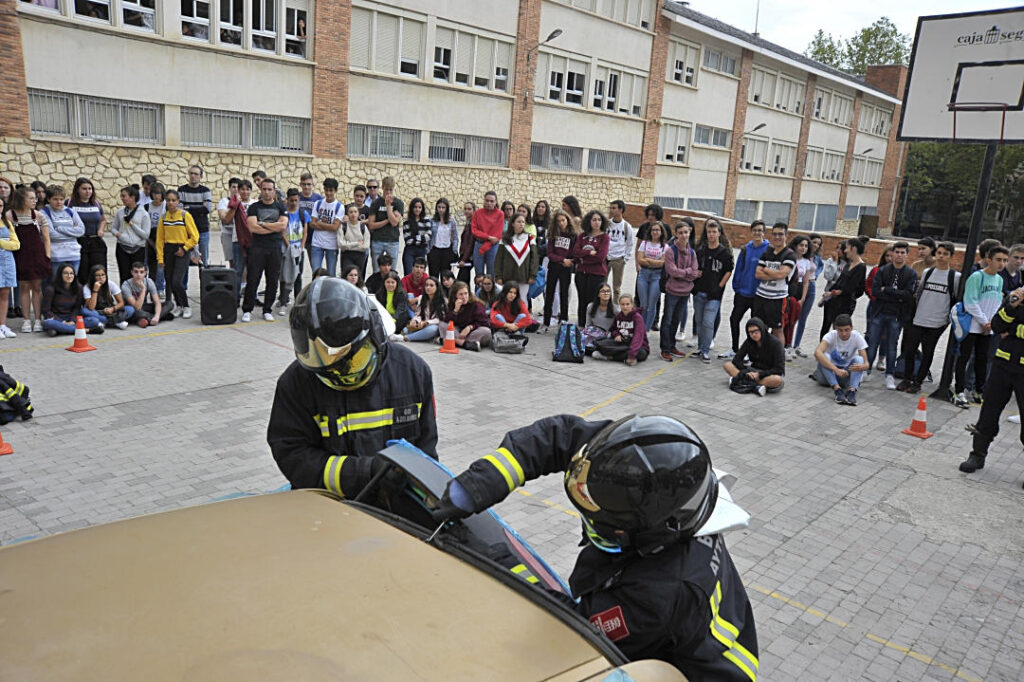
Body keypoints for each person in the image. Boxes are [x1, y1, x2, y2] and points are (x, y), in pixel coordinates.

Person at [433, 413, 758, 679]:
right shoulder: (659, 472)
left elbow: (571, 628)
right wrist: (484, 479)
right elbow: (562, 436)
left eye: (603, 528)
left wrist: (495, 561)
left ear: (649, 535)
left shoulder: (657, 594)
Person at [268, 276, 438, 499]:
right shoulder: (296, 384)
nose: (341, 377)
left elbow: (427, 453)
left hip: (399, 511)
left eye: (353, 363)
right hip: (331, 510)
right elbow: (294, 457)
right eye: (328, 371)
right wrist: (362, 472)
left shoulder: (413, 373)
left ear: (375, 335)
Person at [959, 284, 1024, 479]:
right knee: (988, 412)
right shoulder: (1015, 297)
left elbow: (1007, 329)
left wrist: (1013, 329)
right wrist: (1012, 307)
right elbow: (996, 326)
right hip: (1002, 366)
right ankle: (977, 455)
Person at [897, 242, 960, 393]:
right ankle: (907, 379)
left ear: (951, 256)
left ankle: (918, 382)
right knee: (910, 350)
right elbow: (919, 293)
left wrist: (946, 320)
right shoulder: (928, 272)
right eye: (939, 253)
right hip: (919, 318)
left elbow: (955, 298)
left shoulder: (955, 277)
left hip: (937, 322)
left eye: (945, 254)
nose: (941, 256)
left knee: (928, 352)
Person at [953, 245, 1009, 408]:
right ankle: (959, 391)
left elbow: (997, 302)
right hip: (972, 326)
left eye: (1005, 260)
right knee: (963, 358)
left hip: (987, 327)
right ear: (988, 260)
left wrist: (992, 323)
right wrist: (984, 321)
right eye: (999, 260)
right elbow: (970, 302)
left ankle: (978, 390)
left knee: (982, 359)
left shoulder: (999, 279)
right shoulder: (977, 277)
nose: (1002, 264)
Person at [867, 242, 918, 390]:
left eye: (903, 252)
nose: (899, 255)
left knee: (891, 346)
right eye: (897, 252)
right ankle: (867, 370)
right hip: (880, 312)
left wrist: (887, 290)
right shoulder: (883, 270)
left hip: (897, 315)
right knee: (872, 343)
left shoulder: (911, 273)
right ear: (893, 253)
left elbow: (908, 295)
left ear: (907, 255)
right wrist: (896, 294)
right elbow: (876, 291)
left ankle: (889, 375)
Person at [721, 221, 770, 359]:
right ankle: (735, 349)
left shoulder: (768, 250)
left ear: (764, 233)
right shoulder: (745, 249)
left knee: (756, 326)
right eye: (754, 230)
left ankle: (753, 353)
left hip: (759, 295)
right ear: (751, 231)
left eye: (760, 230)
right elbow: (739, 270)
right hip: (742, 293)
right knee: (734, 319)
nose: (757, 233)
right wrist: (737, 287)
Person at [7, 186, 51, 334]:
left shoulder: (38, 216)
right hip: (19, 256)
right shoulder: (10, 216)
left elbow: (46, 238)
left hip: (37, 256)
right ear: (21, 199)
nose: (35, 200)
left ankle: (38, 319)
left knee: (37, 288)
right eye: (31, 198)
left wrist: (47, 256)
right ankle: (26, 320)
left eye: (35, 198)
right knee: (24, 288)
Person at [243, 178, 288, 322]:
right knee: (253, 278)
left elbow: (282, 227)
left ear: (274, 191)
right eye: (264, 189)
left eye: (270, 189)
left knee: (272, 280)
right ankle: (247, 309)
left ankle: (267, 309)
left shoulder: (281, 207)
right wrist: (272, 227)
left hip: (275, 248)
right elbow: (252, 227)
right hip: (257, 248)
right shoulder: (254, 207)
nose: (267, 192)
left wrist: (262, 224)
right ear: (260, 190)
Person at [693, 219, 733, 364]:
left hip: (714, 295)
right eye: (709, 232)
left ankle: (705, 350)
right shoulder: (701, 251)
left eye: (714, 232)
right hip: (699, 292)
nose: (711, 235)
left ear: (719, 233)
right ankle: (699, 348)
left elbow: (728, 270)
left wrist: (720, 286)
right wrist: (695, 274)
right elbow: (694, 266)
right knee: (699, 321)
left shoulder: (724, 252)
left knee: (708, 322)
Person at [156, 190, 199, 319]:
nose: (170, 203)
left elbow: (194, 236)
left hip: (182, 250)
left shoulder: (185, 215)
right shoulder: (164, 217)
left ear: (178, 201)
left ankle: (186, 306)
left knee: (176, 281)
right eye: (168, 200)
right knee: (169, 280)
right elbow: (159, 240)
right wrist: (160, 258)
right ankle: (179, 305)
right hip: (168, 250)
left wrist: (184, 249)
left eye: (173, 200)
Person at [660, 220, 698, 361]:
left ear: (690, 232)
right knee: (668, 319)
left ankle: (672, 346)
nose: (683, 235)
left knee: (676, 320)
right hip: (672, 291)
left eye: (686, 232)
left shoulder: (692, 253)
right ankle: (665, 349)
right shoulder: (671, 251)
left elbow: (695, 273)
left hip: (685, 292)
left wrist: (683, 272)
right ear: (676, 234)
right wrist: (686, 272)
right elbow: (672, 271)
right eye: (680, 233)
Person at [752, 222, 795, 345]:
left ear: (786, 235)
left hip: (777, 299)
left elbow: (782, 275)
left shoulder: (790, 255)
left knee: (777, 330)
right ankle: (759, 356)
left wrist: (765, 269)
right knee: (759, 328)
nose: (777, 237)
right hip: (761, 296)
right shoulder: (767, 252)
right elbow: (757, 273)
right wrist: (774, 272)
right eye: (775, 234)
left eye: (780, 234)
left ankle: (778, 359)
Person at [813, 314, 869, 406]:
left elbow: (866, 364)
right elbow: (817, 353)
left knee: (859, 359)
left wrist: (862, 366)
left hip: (845, 375)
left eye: (846, 330)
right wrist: (836, 370)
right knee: (824, 356)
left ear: (852, 328)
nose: (843, 333)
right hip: (828, 376)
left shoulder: (857, 336)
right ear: (835, 328)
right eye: (840, 330)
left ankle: (852, 391)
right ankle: (837, 390)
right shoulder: (831, 335)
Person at [723, 317, 785, 397]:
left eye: (756, 331)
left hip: (768, 373)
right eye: (750, 332)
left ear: (762, 329)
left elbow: (779, 369)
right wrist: (745, 372)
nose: (753, 334)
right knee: (727, 365)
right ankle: (755, 387)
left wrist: (759, 374)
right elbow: (737, 359)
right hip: (752, 370)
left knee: (777, 380)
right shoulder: (749, 341)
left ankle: (741, 381)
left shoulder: (775, 343)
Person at [819, 238, 866, 339]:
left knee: (839, 329)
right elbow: (839, 282)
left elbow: (851, 288)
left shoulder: (861, 267)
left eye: (847, 248)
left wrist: (834, 293)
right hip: (833, 301)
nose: (845, 251)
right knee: (826, 325)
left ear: (854, 249)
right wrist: (828, 293)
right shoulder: (849, 264)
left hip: (845, 304)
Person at [41, 263, 104, 336]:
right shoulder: (50, 289)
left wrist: (72, 320)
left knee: (94, 321)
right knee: (48, 323)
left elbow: (77, 308)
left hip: (71, 318)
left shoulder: (79, 288)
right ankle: (87, 330)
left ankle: (62, 330)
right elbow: (46, 311)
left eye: (71, 273)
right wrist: (62, 322)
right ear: (60, 275)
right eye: (66, 273)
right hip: (56, 319)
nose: (69, 276)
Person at [541, 209, 578, 333]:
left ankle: (563, 320)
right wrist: (562, 259)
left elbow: (574, 253)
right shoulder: (553, 234)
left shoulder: (573, 236)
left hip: (566, 269)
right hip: (554, 267)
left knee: (564, 294)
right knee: (549, 293)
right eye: (558, 221)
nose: (561, 223)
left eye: (563, 220)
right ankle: (546, 321)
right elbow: (550, 253)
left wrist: (569, 261)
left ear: (567, 220)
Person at [572, 210, 610, 327]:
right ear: (589, 222)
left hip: (597, 274)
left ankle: (593, 325)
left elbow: (600, 257)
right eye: (594, 220)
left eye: (599, 220)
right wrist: (589, 252)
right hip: (581, 274)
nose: (597, 222)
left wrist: (584, 259)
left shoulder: (605, 237)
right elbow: (575, 252)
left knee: (592, 301)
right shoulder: (582, 236)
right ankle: (581, 324)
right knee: (581, 300)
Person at [68, 177, 106, 285]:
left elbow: (103, 220)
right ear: (77, 190)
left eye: (90, 188)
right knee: (82, 271)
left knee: (98, 270)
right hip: (79, 241)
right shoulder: (71, 204)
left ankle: (98, 297)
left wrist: (101, 230)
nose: (87, 191)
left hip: (95, 241)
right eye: (84, 188)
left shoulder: (96, 203)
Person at [277, 188, 310, 313]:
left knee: (298, 274)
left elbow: (305, 231)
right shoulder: (284, 214)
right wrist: (288, 245)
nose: (294, 203)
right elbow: (282, 231)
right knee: (284, 274)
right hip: (287, 248)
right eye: (291, 200)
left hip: (298, 248)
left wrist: (302, 246)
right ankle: (283, 300)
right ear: (287, 200)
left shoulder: (303, 214)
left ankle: (298, 300)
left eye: (296, 200)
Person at [43, 184, 85, 280]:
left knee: (72, 282)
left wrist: (60, 229)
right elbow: (51, 235)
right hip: (56, 255)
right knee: (56, 283)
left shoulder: (70, 211)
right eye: (55, 199)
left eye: (61, 199)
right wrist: (72, 233)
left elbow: (81, 230)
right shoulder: (44, 213)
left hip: (73, 254)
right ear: (49, 199)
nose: (59, 202)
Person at [111, 185, 151, 286]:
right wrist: (118, 235)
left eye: (124, 196)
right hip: (122, 248)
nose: (122, 198)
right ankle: (124, 299)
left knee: (137, 276)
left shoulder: (144, 214)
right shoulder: (120, 212)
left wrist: (132, 225)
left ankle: (139, 298)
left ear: (132, 197)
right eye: (121, 196)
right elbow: (113, 228)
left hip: (138, 249)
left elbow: (146, 235)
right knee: (123, 276)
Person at [594, 295, 649, 365]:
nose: (625, 307)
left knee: (641, 353)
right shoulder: (619, 316)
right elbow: (613, 329)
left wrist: (632, 354)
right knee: (602, 344)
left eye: (627, 304)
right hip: (622, 343)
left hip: (637, 346)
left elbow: (638, 337)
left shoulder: (638, 318)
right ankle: (625, 359)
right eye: (622, 304)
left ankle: (610, 357)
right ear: (619, 305)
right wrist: (617, 334)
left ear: (632, 304)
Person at [634, 221, 667, 332]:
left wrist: (648, 260)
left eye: (658, 230)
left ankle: (646, 330)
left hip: (656, 276)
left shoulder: (665, 246)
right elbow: (640, 259)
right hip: (643, 274)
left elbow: (662, 263)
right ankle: (640, 327)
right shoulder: (645, 243)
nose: (655, 232)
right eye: (653, 230)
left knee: (651, 305)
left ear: (661, 232)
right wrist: (653, 261)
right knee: (643, 304)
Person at [782, 236, 811, 360]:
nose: (803, 248)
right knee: (784, 320)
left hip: (798, 292)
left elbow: (805, 282)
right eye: (801, 245)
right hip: (788, 290)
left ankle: (789, 346)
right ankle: (781, 346)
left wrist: (803, 298)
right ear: (795, 245)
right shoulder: (789, 258)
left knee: (793, 321)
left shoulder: (807, 262)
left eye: (806, 246)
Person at [793, 234, 822, 356]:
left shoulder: (816, 258)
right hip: (797, 285)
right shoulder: (799, 257)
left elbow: (819, 268)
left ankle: (797, 345)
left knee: (803, 317)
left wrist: (815, 277)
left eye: (818, 244)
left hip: (811, 286)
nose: (816, 245)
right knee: (792, 316)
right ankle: (787, 344)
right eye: (814, 242)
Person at [366, 176, 403, 273]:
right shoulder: (376, 203)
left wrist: (388, 206)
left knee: (392, 272)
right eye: (386, 189)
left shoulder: (398, 203)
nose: (388, 192)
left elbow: (395, 223)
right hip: (377, 240)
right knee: (377, 271)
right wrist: (387, 220)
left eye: (390, 190)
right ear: (382, 188)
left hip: (393, 240)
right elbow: (371, 225)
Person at [294, 172, 323, 295]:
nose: (306, 187)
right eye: (304, 184)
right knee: (296, 269)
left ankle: (313, 293)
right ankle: (295, 294)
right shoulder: (296, 197)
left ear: (313, 185)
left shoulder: (319, 199)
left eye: (309, 184)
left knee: (315, 268)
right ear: (300, 184)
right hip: (297, 237)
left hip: (313, 238)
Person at [178, 165, 212, 267]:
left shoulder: (205, 190)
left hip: (202, 230)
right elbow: (180, 209)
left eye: (196, 174)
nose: (193, 176)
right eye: (191, 173)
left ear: (201, 176)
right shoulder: (181, 190)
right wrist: (199, 207)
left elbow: (207, 209)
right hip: (185, 231)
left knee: (203, 261)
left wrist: (188, 207)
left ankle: (205, 283)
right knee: (184, 261)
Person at [494, 213, 539, 290]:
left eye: (523, 222)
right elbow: (499, 259)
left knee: (523, 300)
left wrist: (533, 275)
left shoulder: (529, 238)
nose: (521, 224)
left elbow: (534, 258)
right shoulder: (505, 239)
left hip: (524, 277)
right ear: (512, 224)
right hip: (507, 277)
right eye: (518, 222)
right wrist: (498, 276)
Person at [308, 177, 342, 277]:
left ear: (335, 191)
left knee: (331, 275)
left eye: (331, 190)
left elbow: (335, 227)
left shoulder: (339, 207)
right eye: (326, 190)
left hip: (331, 244)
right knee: (316, 274)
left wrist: (320, 223)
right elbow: (312, 224)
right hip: (317, 243)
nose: (328, 193)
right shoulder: (318, 204)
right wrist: (328, 225)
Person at [446, 280, 491, 351]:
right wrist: (455, 310)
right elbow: (448, 320)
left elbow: (484, 322)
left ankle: (453, 341)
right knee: (442, 325)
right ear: (455, 295)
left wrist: (470, 327)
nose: (464, 297)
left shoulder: (476, 304)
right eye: (460, 294)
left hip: (472, 332)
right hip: (458, 331)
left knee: (486, 331)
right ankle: (465, 344)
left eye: (466, 293)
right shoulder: (453, 303)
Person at [83, 264, 131, 329]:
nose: (101, 277)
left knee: (130, 309)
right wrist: (95, 290)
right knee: (84, 311)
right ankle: (116, 322)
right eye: (97, 275)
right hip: (97, 311)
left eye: (103, 275)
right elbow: (91, 307)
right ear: (93, 277)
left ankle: (104, 322)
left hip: (110, 310)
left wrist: (112, 309)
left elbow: (121, 303)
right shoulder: (87, 287)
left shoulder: (110, 284)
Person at [121, 261, 167, 327]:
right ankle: (155, 318)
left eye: (141, 272)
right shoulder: (126, 285)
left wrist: (157, 316)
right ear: (132, 272)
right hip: (132, 309)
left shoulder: (149, 282)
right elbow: (137, 307)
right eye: (136, 272)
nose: (139, 275)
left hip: (144, 307)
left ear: (145, 273)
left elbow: (157, 302)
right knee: (138, 313)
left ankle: (150, 319)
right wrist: (143, 289)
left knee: (169, 304)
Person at [606, 200, 634, 301]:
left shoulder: (627, 226)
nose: (611, 210)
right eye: (611, 208)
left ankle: (615, 307)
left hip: (618, 259)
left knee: (616, 287)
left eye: (614, 208)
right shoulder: (607, 224)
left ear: (620, 210)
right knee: (602, 285)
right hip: (605, 258)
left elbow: (630, 243)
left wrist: (625, 259)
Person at [471, 190, 503, 277]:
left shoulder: (500, 214)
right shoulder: (477, 213)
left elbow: (497, 235)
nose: (489, 203)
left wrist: (484, 247)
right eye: (487, 200)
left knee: (491, 274)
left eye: (492, 201)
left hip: (492, 247)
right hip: (479, 244)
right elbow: (474, 230)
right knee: (479, 275)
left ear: (496, 202)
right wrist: (488, 237)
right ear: (484, 201)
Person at [404, 276, 445, 343]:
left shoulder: (442, 301)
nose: (428, 287)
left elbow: (441, 319)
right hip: (422, 325)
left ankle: (406, 338)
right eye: (426, 285)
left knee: (433, 329)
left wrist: (427, 322)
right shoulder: (421, 298)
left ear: (437, 287)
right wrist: (415, 321)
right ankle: (420, 337)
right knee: (406, 329)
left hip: (434, 326)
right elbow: (418, 314)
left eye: (431, 285)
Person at [143, 183, 167, 293]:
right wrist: (150, 241)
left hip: (164, 236)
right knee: (150, 264)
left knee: (161, 264)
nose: (157, 196)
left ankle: (160, 287)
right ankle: (150, 287)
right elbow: (144, 225)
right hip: (149, 236)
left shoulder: (166, 206)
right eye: (154, 193)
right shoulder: (147, 207)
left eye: (159, 193)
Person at [337, 200, 370, 278]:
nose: (353, 214)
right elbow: (341, 244)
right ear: (347, 214)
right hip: (346, 255)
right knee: (346, 277)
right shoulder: (343, 227)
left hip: (360, 256)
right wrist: (357, 243)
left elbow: (366, 246)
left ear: (358, 213)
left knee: (358, 278)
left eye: (355, 212)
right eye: (351, 212)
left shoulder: (363, 227)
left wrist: (348, 244)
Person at [375, 271, 412, 341]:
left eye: (392, 282)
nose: (390, 285)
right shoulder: (379, 294)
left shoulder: (402, 294)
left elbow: (400, 310)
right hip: (386, 317)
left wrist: (392, 320)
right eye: (388, 282)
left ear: (397, 283)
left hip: (398, 318)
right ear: (384, 283)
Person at [0, 200, 18, 338]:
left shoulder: (7, 222)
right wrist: (7, 243)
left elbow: (16, 244)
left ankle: (2, 325)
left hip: (7, 260)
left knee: (5, 293)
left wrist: (1, 243)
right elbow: (10, 243)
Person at [428, 198, 459, 278]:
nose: (441, 209)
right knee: (433, 275)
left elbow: (455, 237)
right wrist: (428, 250)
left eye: (443, 207)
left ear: (447, 208)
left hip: (447, 251)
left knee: (445, 276)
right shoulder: (432, 220)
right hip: (435, 250)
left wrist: (454, 250)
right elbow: (429, 236)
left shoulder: (451, 221)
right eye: (439, 207)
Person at [583, 282, 617, 353]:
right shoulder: (591, 307)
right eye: (603, 291)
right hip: (592, 332)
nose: (606, 293)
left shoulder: (615, 309)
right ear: (598, 294)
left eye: (608, 291)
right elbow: (588, 325)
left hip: (606, 335)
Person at [216, 177, 242, 269]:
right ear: (229, 188)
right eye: (233, 187)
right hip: (228, 233)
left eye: (238, 187)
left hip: (241, 234)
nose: (236, 190)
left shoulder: (244, 201)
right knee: (232, 260)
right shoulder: (224, 201)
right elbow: (224, 218)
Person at [402, 198, 432, 276]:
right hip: (410, 250)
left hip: (422, 250)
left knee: (420, 275)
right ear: (412, 208)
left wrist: (414, 237)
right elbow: (408, 240)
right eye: (415, 207)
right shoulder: (407, 221)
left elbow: (428, 237)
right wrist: (422, 237)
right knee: (409, 274)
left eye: (419, 207)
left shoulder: (426, 220)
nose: (417, 209)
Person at [456, 201, 477, 284]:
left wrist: (464, 259)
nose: (466, 211)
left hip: (469, 257)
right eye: (465, 209)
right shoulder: (468, 222)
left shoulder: (473, 224)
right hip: (465, 256)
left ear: (474, 210)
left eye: (469, 209)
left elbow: (470, 243)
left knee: (461, 281)